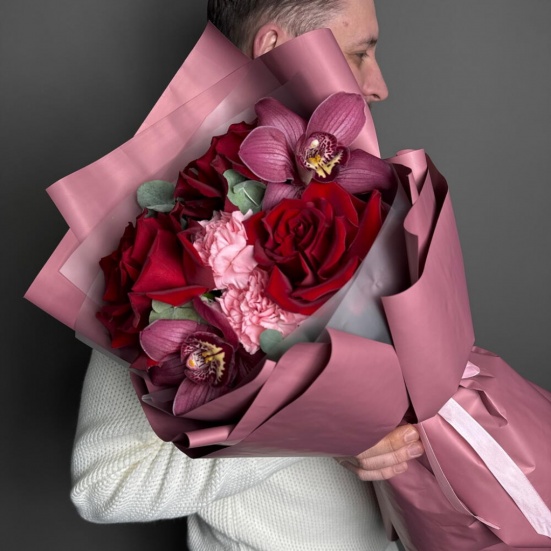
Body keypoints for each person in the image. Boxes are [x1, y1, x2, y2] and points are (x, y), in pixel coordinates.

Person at [71, 1, 423, 549]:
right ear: (275, 48)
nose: (379, 86)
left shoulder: (349, 212)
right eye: (360, 53)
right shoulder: (170, 250)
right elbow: (104, 486)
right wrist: (306, 428)